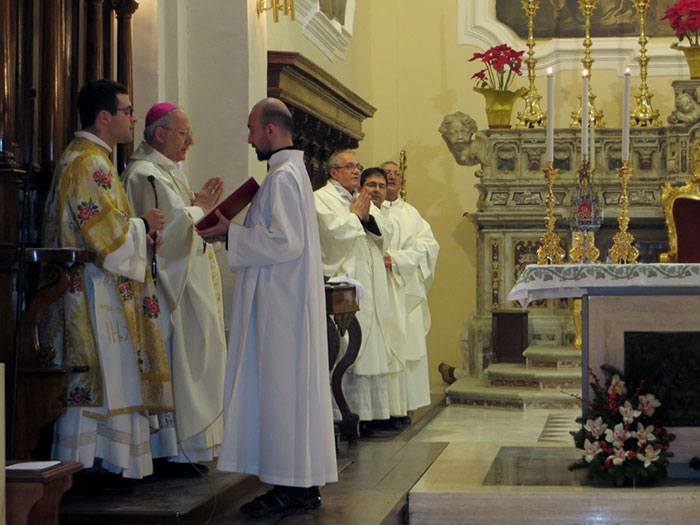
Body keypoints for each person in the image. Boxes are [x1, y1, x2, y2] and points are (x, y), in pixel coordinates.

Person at [197, 98, 337, 517]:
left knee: (281, 393)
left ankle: (291, 487)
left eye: (252, 128)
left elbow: (284, 241)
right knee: (288, 394)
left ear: (271, 131)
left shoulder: (283, 179)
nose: (249, 137)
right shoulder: (287, 175)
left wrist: (228, 234)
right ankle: (299, 483)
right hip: (284, 303)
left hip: (281, 312)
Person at [42, 79, 172, 483]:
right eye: (127, 111)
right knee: (102, 381)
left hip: (99, 288)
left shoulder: (91, 158)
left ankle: (106, 462)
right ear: (104, 117)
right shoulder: (89, 163)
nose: (134, 118)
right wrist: (142, 224)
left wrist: (139, 230)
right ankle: (94, 465)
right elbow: (106, 237)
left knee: (111, 380)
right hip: (91, 294)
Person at [121, 103, 227, 472]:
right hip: (171, 292)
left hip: (190, 285)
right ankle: (175, 448)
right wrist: (199, 210)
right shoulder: (143, 175)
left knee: (200, 356)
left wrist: (205, 216)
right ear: (160, 134)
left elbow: (184, 224)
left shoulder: (168, 172)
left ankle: (193, 447)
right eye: (184, 133)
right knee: (180, 360)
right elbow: (162, 240)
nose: (191, 141)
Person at [314, 152, 404, 427]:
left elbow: (386, 230)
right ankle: (350, 411)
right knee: (349, 346)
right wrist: (355, 218)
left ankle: (374, 413)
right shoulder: (321, 198)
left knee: (373, 340)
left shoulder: (359, 197)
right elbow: (329, 235)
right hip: (345, 279)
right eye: (349, 167)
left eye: (358, 167)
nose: (356, 171)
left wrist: (365, 219)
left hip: (370, 278)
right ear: (333, 172)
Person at [379, 161, 440, 409]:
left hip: (405, 287)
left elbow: (428, 246)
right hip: (379, 286)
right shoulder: (369, 209)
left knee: (409, 345)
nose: (392, 177)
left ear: (402, 182)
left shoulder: (411, 213)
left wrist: (397, 259)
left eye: (396, 174)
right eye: (387, 174)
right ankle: (384, 406)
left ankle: (406, 404)